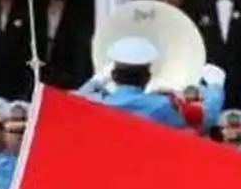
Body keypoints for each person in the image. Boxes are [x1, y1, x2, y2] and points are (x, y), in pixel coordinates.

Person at [77, 36, 225, 131]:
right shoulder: (162, 105)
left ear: (113, 76)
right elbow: (205, 116)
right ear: (147, 77)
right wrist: (215, 86)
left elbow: (71, 100)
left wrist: (97, 80)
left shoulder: (95, 103)